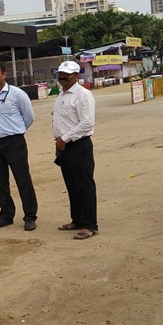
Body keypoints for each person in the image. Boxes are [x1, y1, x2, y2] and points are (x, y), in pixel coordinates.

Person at [0, 61, 38, 231]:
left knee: (23, 179)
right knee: (0, 182)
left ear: (4, 74)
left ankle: (30, 216)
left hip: (14, 142)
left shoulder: (17, 94)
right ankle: (6, 215)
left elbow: (29, 117)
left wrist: (16, 132)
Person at [52, 61, 99, 239]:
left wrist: (64, 138)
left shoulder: (83, 95)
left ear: (77, 76)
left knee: (84, 185)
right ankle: (77, 219)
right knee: (71, 185)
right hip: (63, 146)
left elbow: (87, 123)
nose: (62, 77)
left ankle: (90, 225)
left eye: (67, 74)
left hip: (79, 145)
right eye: (60, 74)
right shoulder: (61, 94)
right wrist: (59, 143)